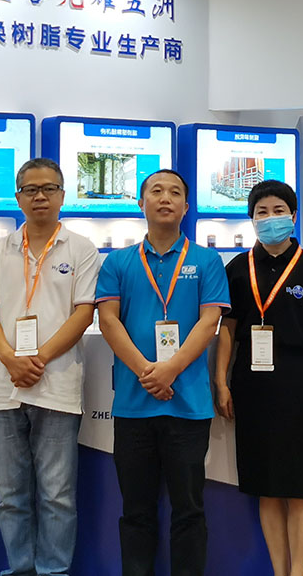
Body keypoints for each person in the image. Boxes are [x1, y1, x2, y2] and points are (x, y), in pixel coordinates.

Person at [95, 168, 230, 576]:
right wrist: (147, 372)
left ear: (186, 206)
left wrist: (170, 369)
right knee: (136, 511)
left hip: (188, 406)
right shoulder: (118, 262)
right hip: (134, 406)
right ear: (142, 203)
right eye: (156, 191)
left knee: (189, 510)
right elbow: (108, 321)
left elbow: (210, 322)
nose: (165, 198)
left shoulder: (207, 260)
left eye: (174, 192)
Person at [0, 157, 101, 576]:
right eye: (31, 189)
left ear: (62, 195)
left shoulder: (81, 249)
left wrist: (39, 358)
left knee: (57, 494)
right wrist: (10, 360)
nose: (40, 196)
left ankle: (53, 572)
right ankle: (20, 570)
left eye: (48, 189)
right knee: (11, 495)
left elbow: (83, 314)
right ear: (18, 197)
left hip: (57, 385)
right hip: (5, 388)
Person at [213, 180, 303, 576]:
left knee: (298, 490)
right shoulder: (237, 269)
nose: (270, 219)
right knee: (266, 489)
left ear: (293, 216)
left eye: (278, 211)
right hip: (251, 386)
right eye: (262, 212)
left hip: (299, 384)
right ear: (251, 219)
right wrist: (221, 382)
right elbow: (227, 330)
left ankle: (297, 572)